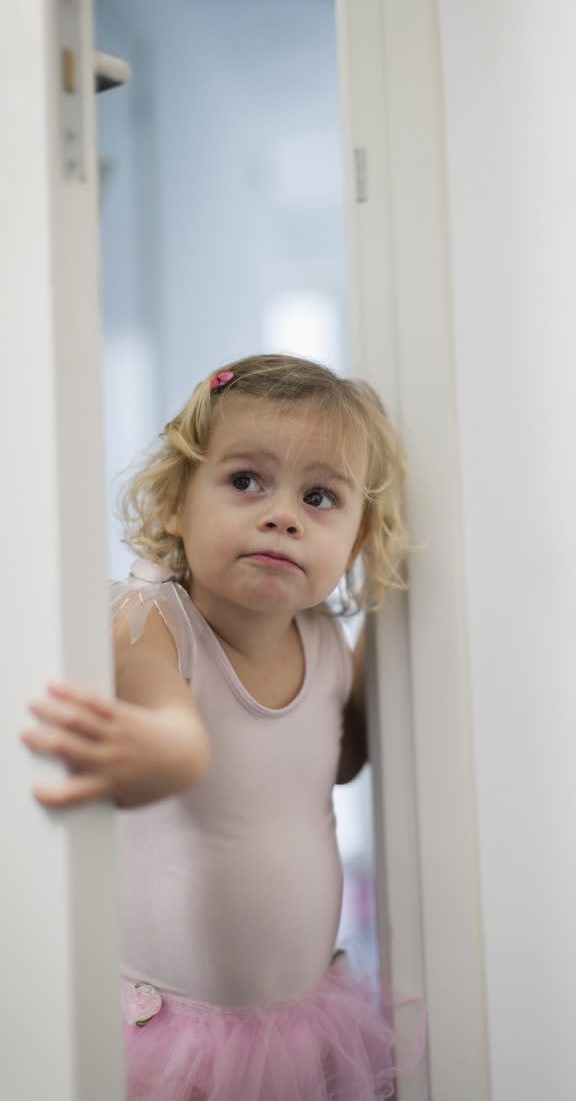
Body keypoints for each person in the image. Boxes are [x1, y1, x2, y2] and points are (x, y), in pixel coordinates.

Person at [22, 354, 413, 1101]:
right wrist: (170, 749)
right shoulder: (149, 624)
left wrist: (391, 633)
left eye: (321, 497)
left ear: (356, 544)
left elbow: (344, 758)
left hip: (297, 1023)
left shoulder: (328, 643)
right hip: (165, 1036)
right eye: (245, 481)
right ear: (174, 503)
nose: (282, 514)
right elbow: (167, 721)